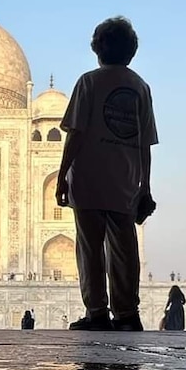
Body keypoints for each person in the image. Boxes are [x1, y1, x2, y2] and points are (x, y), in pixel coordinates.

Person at [57, 17, 158, 332]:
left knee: (90, 249)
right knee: (125, 250)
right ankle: (128, 314)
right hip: (125, 182)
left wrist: (62, 176)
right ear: (132, 52)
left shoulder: (89, 82)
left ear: (96, 49)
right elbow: (145, 144)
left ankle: (97, 312)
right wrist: (146, 187)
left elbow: (75, 134)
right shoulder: (140, 87)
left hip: (88, 179)